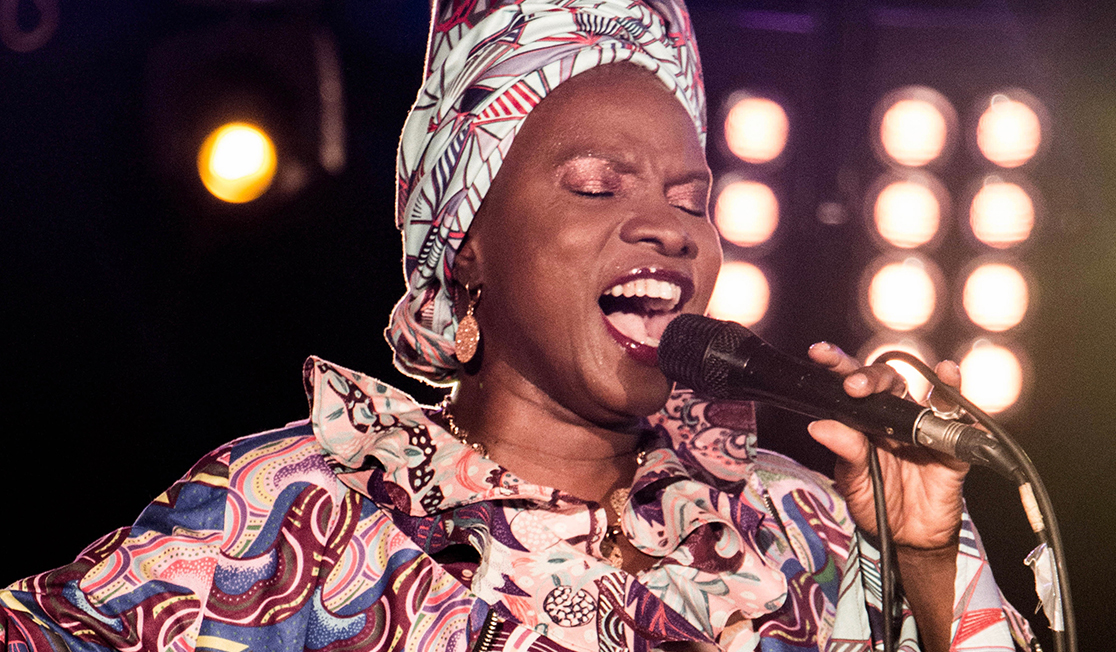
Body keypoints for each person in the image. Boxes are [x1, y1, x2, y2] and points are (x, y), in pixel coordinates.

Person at [1, 1, 1033, 651]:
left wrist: (927, 558)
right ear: (466, 244)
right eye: (594, 185)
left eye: (691, 195)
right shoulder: (285, 519)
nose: (668, 228)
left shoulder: (800, 533)